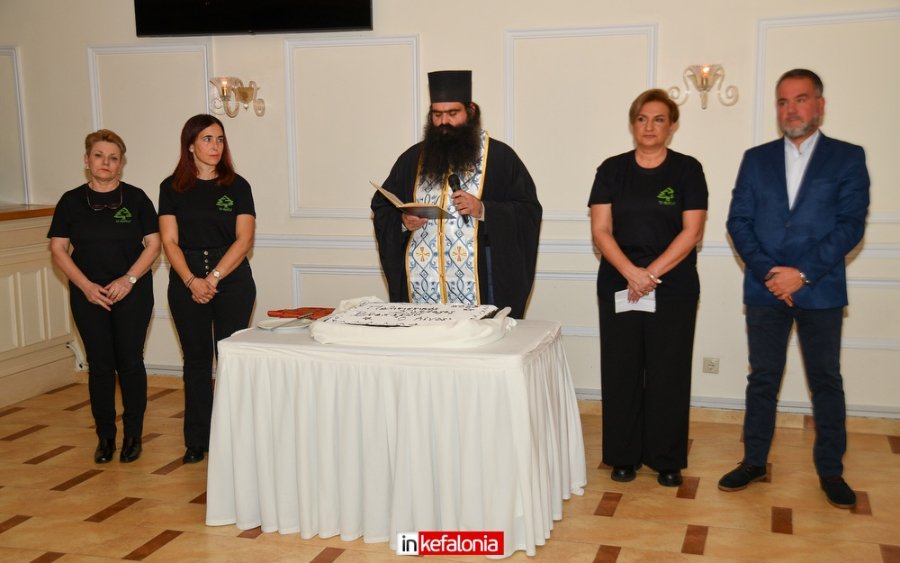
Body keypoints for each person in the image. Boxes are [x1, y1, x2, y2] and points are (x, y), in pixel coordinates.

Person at [720, 69, 869, 509]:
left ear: (820, 104)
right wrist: (772, 274)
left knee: (826, 381)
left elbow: (850, 226)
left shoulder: (847, 157)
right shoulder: (755, 159)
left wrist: (801, 275)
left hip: (820, 290)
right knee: (762, 379)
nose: (791, 110)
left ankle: (831, 470)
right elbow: (738, 222)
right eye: (783, 102)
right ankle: (753, 462)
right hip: (765, 290)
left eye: (800, 99)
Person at [588, 89, 708, 487]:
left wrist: (649, 275)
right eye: (642, 119)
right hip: (619, 284)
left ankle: (666, 458)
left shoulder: (688, 170)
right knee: (621, 369)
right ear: (632, 124)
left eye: (658, 119)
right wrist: (630, 273)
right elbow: (601, 230)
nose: (650, 127)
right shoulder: (611, 170)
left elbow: (692, 232)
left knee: (668, 371)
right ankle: (623, 455)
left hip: (672, 287)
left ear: (672, 126)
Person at [371, 70, 542, 319]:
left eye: (452, 113)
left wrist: (484, 210)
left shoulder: (500, 158)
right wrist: (402, 221)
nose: (444, 122)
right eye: (437, 114)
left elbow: (528, 211)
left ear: (470, 111)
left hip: (483, 279)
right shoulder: (412, 159)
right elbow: (383, 206)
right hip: (421, 283)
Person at [48, 129, 160, 464]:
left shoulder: (137, 199)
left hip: (132, 292)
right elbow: (58, 248)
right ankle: (106, 438)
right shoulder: (70, 201)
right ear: (87, 160)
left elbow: (154, 244)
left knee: (130, 362)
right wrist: (85, 285)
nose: (106, 163)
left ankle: (133, 436)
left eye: (113, 158)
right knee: (99, 366)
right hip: (89, 295)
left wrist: (128, 279)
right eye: (99, 156)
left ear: (121, 164)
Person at [159, 114, 257, 464]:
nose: (215, 146)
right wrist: (191, 280)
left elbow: (244, 240)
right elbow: (169, 242)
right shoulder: (171, 187)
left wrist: (213, 278)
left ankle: (233, 436)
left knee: (230, 359)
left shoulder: (238, 186)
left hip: (231, 280)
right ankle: (197, 440)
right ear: (190, 145)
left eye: (219, 139)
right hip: (186, 279)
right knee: (196, 361)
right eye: (207, 139)